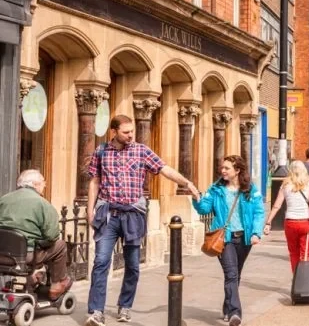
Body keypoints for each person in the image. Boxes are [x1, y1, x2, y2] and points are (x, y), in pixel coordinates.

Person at [85, 115, 200, 326]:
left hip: (132, 215)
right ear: (114, 131)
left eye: (132, 131)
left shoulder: (141, 151)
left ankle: (125, 306)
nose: (130, 135)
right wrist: (89, 209)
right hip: (108, 214)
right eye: (126, 132)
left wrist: (187, 183)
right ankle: (96, 311)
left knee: (132, 265)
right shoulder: (101, 152)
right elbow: (94, 181)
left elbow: (164, 169)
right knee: (101, 262)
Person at [192, 155, 264, 326]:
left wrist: (256, 233)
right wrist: (197, 198)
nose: (222, 171)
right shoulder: (216, 189)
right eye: (222, 168)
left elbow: (259, 212)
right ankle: (234, 313)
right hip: (225, 238)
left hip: (245, 238)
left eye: (227, 168)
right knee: (231, 273)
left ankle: (227, 306)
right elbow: (204, 209)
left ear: (237, 170)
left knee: (236, 274)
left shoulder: (250, 190)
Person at [0, 170, 72, 299]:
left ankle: (32, 277)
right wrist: (41, 243)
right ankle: (57, 284)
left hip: (2, 253)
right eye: (43, 183)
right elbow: (52, 235)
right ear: (35, 184)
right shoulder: (42, 204)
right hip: (25, 255)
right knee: (60, 245)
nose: (44, 186)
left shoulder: (4, 199)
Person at [264, 161, 309, 272]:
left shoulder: (285, 184)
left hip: (290, 223)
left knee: (293, 252)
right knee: (307, 252)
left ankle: (296, 278)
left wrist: (268, 222)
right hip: (306, 222)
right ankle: (303, 280)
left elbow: (277, 205)